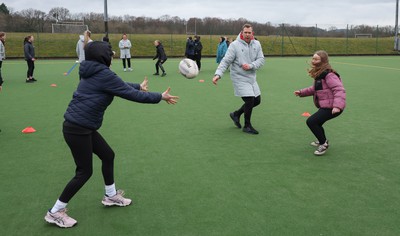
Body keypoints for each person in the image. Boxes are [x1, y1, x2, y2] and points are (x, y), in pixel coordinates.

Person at [44, 41, 179, 228]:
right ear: (103, 57)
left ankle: (110, 196)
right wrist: (159, 97)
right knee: (84, 172)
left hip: (81, 126)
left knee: (108, 155)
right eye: (111, 53)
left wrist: (138, 86)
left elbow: (119, 85)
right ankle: (55, 212)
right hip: (78, 129)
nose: (113, 56)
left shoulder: (93, 71)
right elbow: (127, 93)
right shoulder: (102, 73)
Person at [212, 24, 265, 135]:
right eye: (245, 32)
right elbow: (226, 61)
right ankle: (247, 126)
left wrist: (251, 65)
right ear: (242, 32)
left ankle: (236, 114)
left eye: (249, 32)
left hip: (252, 77)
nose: (247, 34)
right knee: (250, 99)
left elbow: (261, 60)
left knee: (257, 100)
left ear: (252, 33)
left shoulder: (257, 44)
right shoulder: (234, 45)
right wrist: (218, 74)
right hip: (239, 77)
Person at [294, 50, 346, 156]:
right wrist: (301, 92)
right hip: (326, 105)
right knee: (317, 122)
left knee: (311, 121)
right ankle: (321, 139)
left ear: (323, 61)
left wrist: (337, 106)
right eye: (313, 58)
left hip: (332, 107)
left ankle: (323, 144)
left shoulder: (329, 74)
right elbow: (315, 89)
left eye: (316, 59)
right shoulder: (320, 74)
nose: (313, 61)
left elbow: (339, 89)